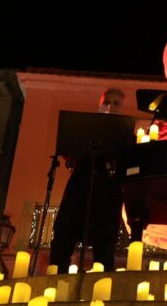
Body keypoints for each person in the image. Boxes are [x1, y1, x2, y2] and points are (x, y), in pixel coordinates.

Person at [49, 89, 126, 272]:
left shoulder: (123, 131)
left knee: (105, 243)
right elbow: (70, 153)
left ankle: (103, 286)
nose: (111, 106)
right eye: (108, 101)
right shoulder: (85, 128)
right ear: (101, 103)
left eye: (116, 103)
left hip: (108, 190)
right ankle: (56, 277)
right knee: (64, 234)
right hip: (80, 185)